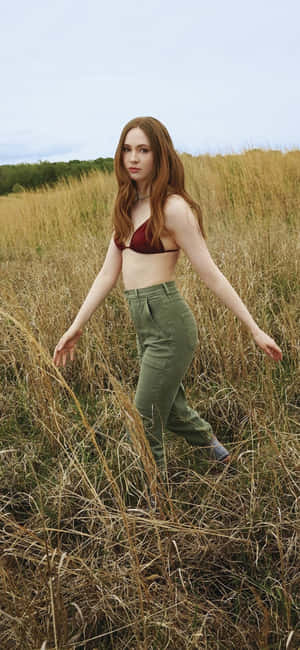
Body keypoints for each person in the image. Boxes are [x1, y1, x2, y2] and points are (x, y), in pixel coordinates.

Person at [53, 116, 283, 482]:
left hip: (169, 324)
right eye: (127, 149)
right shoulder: (126, 205)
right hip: (144, 323)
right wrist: (76, 326)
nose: (133, 157)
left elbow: (211, 273)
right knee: (171, 410)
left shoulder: (174, 208)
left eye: (143, 150)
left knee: (143, 419)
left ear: (160, 155)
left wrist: (253, 328)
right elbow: (107, 273)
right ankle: (221, 458)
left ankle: (158, 507)